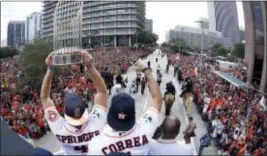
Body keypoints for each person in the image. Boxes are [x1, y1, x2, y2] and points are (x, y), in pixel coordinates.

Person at [40, 51, 108, 155]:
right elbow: (102, 92)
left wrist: (50, 69)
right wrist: (89, 66)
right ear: (85, 111)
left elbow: (44, 98)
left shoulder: (59, 129)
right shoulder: (97, 124)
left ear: (64, 112)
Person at [88, 61, 162, 155]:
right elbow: (157, 98)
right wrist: (146, 71)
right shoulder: (145, 129)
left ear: (110, 114)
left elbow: (102, 93)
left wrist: (89, 66)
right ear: (134, 115)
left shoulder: (96, 144)